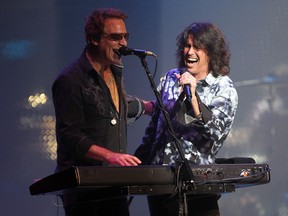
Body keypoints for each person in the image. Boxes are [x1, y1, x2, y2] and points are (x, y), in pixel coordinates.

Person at [52, 8, 152, 216]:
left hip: (114, 184)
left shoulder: (115, 70)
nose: (123, 43)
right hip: (85, 189)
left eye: (125, 37)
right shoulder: (71, 80)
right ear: (94, 39)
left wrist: (152, 107)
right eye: (115, 38)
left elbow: (115, 107)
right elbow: (69, 135)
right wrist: (111, 156)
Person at [134, 22, 238, 215]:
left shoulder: (223, 87)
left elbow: (214, 135)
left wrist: (193, 96)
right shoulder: (171, 79)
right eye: (187, 46)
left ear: (211, 52)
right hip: (161, 182)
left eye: (197, 47)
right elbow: (154, 129)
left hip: (198, 183)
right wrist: (137, 165)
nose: (190, 52)